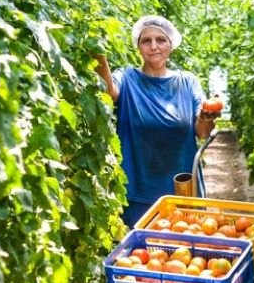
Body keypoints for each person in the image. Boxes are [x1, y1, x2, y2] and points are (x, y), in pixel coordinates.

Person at [93, 15, 218, 227]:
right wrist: (97, 51)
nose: (153, 46)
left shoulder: (187, 82)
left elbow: (202, 132)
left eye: (161, 40)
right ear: (138, 47)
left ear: (171, 45)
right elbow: (108, 92)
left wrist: (207, 116)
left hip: (183, 192)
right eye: (146, 41)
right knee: (140, 246)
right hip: (137, 196)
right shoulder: (127, 78)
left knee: (185, 245)